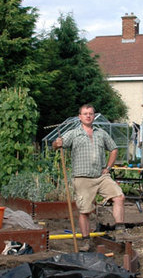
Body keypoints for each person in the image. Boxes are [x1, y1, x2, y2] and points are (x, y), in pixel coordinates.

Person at [52, 104, 126, 251]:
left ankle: (120, 231)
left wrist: (108, 168)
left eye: (90, 114)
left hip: (101, 176)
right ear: (80, 117)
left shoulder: (101, 133)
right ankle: (86, 241)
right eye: (85, 114)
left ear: (94, 116)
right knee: (84, 211)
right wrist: (56, 143)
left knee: (119, 197)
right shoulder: (73, 133)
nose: (88, 116)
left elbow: (114, 149)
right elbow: (55, 145)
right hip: (82, 178)